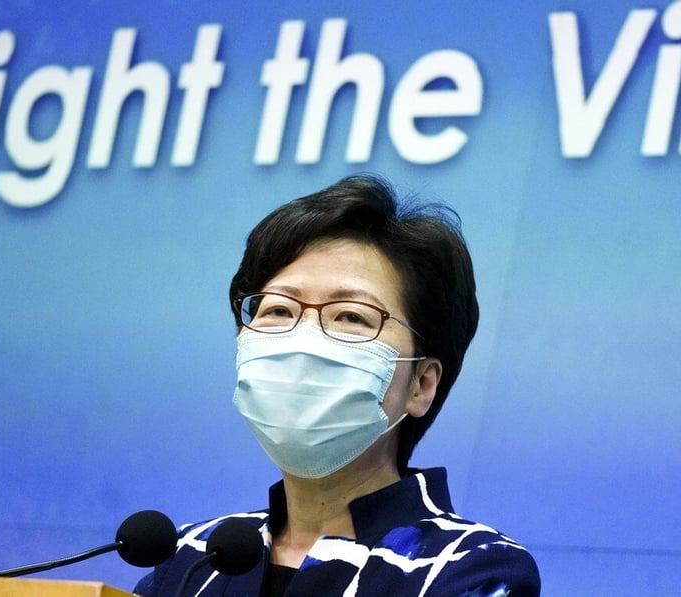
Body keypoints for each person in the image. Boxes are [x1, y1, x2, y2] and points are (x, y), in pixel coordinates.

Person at [134, 174, 540, 596]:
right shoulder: (188, 559)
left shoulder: (468, 566)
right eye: (278, 309)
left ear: (420, 384)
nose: (302, 340)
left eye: (350, 316)